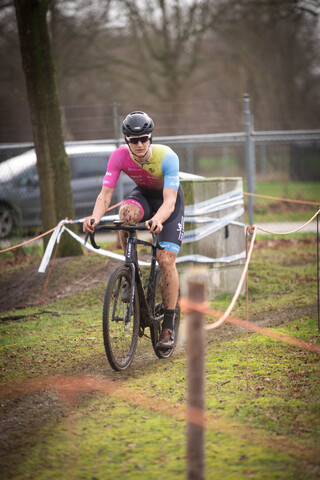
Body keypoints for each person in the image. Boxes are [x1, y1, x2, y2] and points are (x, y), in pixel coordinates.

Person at [83, 111, 184, 349]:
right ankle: (131, 272)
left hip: (168, 204)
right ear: (126, 140)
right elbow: (105, 194)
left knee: (165, 260)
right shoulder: (118, 157)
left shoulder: (167, 157)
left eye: (144, 139)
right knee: (125, 216)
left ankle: (168, 327)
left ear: (151, 138)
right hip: (144, 198)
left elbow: (169, 202)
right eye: (133, 140)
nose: (139, 144)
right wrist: (95, 217)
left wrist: (158, 220)